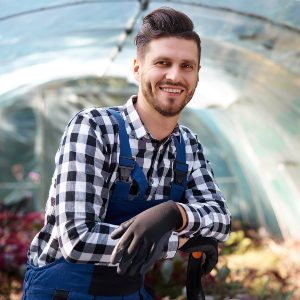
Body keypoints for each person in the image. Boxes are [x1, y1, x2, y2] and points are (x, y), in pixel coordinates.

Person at [22, 7, 231, 300]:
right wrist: (181, 239)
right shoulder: (94, 128)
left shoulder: (188, 145)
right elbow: (78, 240)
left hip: (129, 292)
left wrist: (175, 212)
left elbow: (221, 219)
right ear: (137, 68)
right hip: (62, 290)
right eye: (163, 62)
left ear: (197, 75)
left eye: (187, 66)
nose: (175, 75)